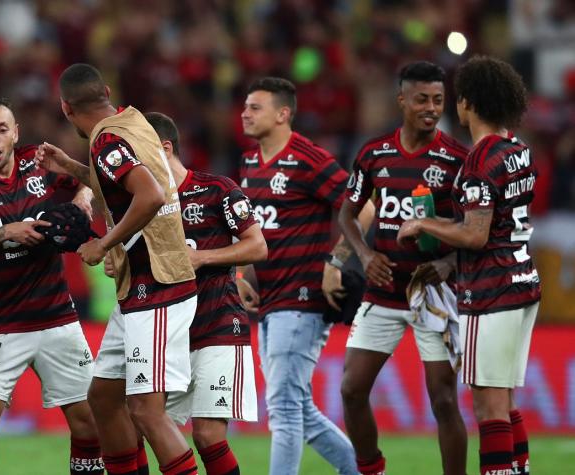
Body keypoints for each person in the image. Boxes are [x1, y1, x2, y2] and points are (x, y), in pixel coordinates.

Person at [38, 63, 200, 475]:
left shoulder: (106, 140)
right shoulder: (133, 122)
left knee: (146, 411)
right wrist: (72, 168)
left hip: (158, 286)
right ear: (107, 91)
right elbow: (121, 182)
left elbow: (148, 194)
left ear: (65, 108)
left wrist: (103, 242)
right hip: (138, 289)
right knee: (105, 398)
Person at [0, 96, 101, 475]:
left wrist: (83, 195)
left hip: (58, 317)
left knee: (89, 420)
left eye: (1, 129)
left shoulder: (39, 163)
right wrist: (2, 234)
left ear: (15, 133)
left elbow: (99, 179)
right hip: (4, 323)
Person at [399, 55, 540, 475]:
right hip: (523, 282)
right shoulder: (518, 149)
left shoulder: (480, 161)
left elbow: (476, 235)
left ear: (467, 104)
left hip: (492, 290)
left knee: (488, 404)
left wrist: (425, 222)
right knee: (507, 399)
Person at [338, 61, 469, 475]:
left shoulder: (456, 159)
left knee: (443, 400)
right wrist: (364, 254)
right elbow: (347, 214)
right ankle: (371, 468)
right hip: (383, 291)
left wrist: (449, 262)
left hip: (433, 294)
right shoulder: (374, 154)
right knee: (351, 389)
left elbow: (475, 229)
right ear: (402, 101)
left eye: (437, 100)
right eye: (421, 100)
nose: (430, 108)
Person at [238, 77, 367, 475]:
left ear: (283, 113)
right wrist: (242, 273)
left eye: (255, 107)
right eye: (245, 106)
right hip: (271, 300)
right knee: (298, 407)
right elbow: (246, 227)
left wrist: (337, 260)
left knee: (283, 409)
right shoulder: (248, 163)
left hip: (302, 299)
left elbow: (361, 206)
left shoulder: (307, 158)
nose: (245, 113)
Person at [143, 112, 267, 475]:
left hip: (218, 327)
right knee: (143, 422)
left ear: (165, 148)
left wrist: (205, 258)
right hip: (169, 334)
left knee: (208, 435)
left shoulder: (217, 189)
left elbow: (257, 246)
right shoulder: (144, 206)